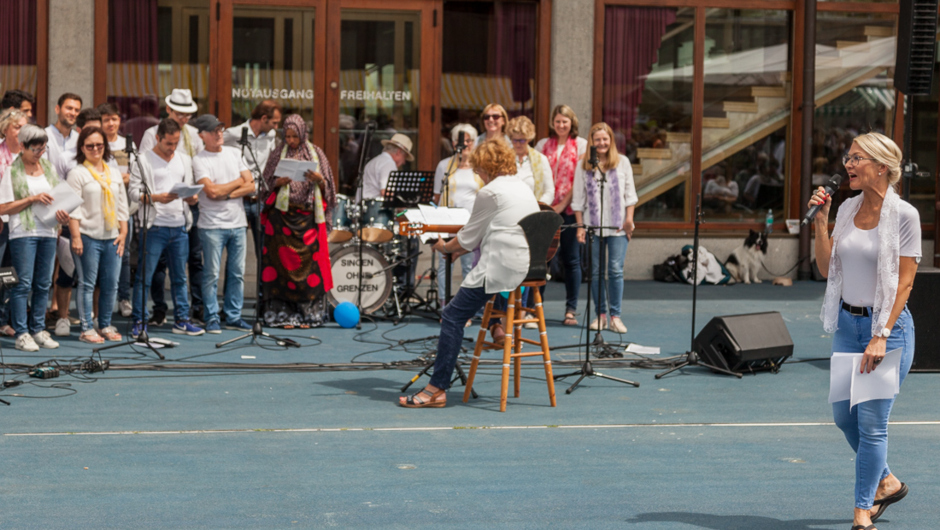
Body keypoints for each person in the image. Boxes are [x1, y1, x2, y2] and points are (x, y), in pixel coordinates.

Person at [810, 132, 919, 530]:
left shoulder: (905, 215)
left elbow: (905, 284)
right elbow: (826, 270)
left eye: (857, 158)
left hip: (886, 330)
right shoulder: (847, 208)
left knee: (873, 424)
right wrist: (822, 222)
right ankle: (887, 481)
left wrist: (881, 334)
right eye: (848, 157)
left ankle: (862, 514)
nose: (848, 165)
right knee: (843, 418)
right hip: (846, 324)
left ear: (881, 167)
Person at [397, 139, 539, 408]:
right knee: (466, 305)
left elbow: (466, 240)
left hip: (500, 265)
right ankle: (496, 329)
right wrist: (455, 249)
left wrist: (442, 246)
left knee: (452, 315)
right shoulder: (522, 186)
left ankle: (436, 389)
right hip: (525, 265)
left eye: (478, 169)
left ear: (486, 166)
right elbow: (485, 233)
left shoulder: (490, 192)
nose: (477, 175)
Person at [128, 118, 204, 338]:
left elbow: (189, 189)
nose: (172, 148)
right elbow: (133, 193)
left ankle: (181, 320)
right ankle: (139, 320)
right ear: (158, 138)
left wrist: (192, 199)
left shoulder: (183, 159)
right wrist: (155, 198)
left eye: (176, 143)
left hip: (179, 225)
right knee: (145, 276)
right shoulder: (143, 160)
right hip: (154, 227)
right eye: (168, 143)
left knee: (180, 277)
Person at [259, 114, 336, 328]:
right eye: (288, 136)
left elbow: (329, 189)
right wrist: (278, 182)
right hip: (281, 221)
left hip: (307, 220)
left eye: (295, 136)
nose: (291, 141)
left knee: (309, 269)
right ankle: (282, 316)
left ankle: (308, 315)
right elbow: (264, 186)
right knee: (281, 269)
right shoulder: (278, 153)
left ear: (303, 134)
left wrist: (319, 180)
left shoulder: (316, 153)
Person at [0, 125, 71, 351]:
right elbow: (4, 207)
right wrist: (32, 199)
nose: (40, 153)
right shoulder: (12, 171)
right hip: (23, 232)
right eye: (35, 149)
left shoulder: (48, 168)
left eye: (43, 149)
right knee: (23, 284)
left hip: (48, 231)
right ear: (22, 146)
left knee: (43, 283)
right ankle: (22, 333)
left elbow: (59, 198)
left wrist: (63, 214)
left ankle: (38, 329)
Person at [191, 114, 255, 333]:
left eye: (220, 129)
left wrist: (227, 193)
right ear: (202, 136)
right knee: (211, 274)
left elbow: (252, 186)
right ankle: (211, 317)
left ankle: (234, 316)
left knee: (237, 273)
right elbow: (211, 191)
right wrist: (238, 182)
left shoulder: (235, 152)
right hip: (212, 226)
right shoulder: (199, 160)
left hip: (237, 223)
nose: (219, 134)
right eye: (213, 131)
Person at [572, 122, 637, 334]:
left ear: (611, 141)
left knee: (616, 270)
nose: (601, 143)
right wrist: (580, 226)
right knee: (597, 272)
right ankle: (600, 315)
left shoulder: (623, 162)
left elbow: (630, 194)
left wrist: (629, 219)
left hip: (618, 226)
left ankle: (615, 317)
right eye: (597, 139)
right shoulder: (584, 165)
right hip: (593, 227)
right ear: (592, 141)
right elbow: (578, 199)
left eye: (605, 139)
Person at [66, 127, 130, 343]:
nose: (95, 149)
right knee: (87, 283)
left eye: (99, 145)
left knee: (111, 283)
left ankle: (104, 324)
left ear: (105, 146)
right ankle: (86, 327)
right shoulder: (77, 173)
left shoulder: (113, 172)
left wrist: (124, 233)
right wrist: (75, 236)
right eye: (90, 145)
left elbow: (123, 206)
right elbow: (72, 208)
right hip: (87, 236)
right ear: (82, 148)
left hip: (113, 237)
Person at [535, 104, 588, 326]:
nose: (561, 125)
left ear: (571, 122)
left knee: (571, 260)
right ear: (552, 123)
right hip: (545, 209)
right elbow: (537, 175)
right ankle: (536, 308)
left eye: (564, 121)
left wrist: (561, 204)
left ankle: (571, 309)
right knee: (543, 259)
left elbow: (579, 180)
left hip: (569, 210)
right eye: (557, 121)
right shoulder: (542, 144)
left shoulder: (581, 145)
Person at [223, 99, 281, 261]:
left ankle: (263, 287)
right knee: (235, 253)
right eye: (274, 123)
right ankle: (232, 287)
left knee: (264, 251)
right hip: (239, 200)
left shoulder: (271, 136)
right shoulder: (233, 134)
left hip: (260, 200)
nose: (276, 127)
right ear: (263, 119)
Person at [432, 124, 483, 306]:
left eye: (469, 140)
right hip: (447, 223)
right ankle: (445, 305)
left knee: (468, 267)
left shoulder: (480, 166)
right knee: (445, 265)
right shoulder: (444, 165)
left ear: (475, 142)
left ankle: (465, 307)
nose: (465, 144)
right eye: (460, 141)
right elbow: (437, 196)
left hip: (471, 225)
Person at [98, 102, 137, 318]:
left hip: (124, 210)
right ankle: (103, 302)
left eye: (114, 119)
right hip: (99, 209)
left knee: (124, 254)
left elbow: (138, 173)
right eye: (106, 119)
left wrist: (128, 178)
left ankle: (124, 297)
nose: (111, 123)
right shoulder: (95, 144)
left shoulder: (127, 144)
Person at [0, 109, 29, 337]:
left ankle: (4, 319)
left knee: (11, 274)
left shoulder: (28, 155)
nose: (22, 131)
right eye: (17, 126)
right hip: (1, 221)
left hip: (22, 224)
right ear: (5, 128)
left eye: (24, 126)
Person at [506, 116, 554, 205]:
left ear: (529, 139)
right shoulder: (504, 158)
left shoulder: (541, 159)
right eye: (514, 140)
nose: (518, 144)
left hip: (533, 211)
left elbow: (549, 191)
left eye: (522, 140)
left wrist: (538, 207)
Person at [359, 132, 413, 201]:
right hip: (375, 209)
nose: (404, 162)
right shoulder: (389, 163)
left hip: (366, 206)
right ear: (398, 152)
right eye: (404, 157)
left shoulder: (375, 161)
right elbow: (386, 193)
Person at [43, 93, 82, 180]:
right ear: (57, 109)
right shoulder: (44, 136)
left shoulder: (79, 139)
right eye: (69, 108)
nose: (73, 113)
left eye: (77, 110)